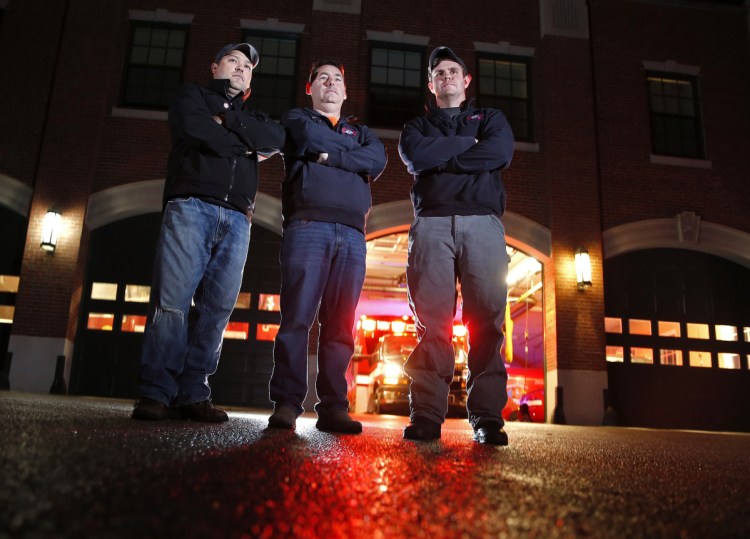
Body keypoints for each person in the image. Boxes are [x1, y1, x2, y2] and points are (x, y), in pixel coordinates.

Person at [132, 43, 285, 422]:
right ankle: (156, 392)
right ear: (215, 65)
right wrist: (246, 144)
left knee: (216, 310)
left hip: (238, 217)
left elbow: (277, 139)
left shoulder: (254, 115)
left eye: (248, 65)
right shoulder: (192, 96)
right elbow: (195, 129)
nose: (240, 68)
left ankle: (192, 393)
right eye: (233, 61)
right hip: (191, 206)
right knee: (172, 303)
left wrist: (228, 121)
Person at [397, 46, 514, 445]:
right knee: (432, 323)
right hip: (430, 224)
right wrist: (469, 147)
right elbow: (415, 155)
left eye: (453, 71)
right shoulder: (416, 127)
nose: (446, 76)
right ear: (431, 85)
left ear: (466, 82)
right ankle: (427, 414)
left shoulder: (491, 119)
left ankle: (487, 417)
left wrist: (440, 161)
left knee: (487, 320)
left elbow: (500, 151)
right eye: (438, 72)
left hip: (483, 222)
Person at [268, 60, 387, 433]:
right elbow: (311, 141)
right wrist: (347, 158)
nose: (331, 84)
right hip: (308, 225)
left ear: (346, 91)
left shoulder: (362, 131)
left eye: (337, 78)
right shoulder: (297, 119)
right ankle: (287, 403)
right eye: (323, 78)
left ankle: (334, 406)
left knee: (340, 326)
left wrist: (329, 156)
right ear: (311, 88)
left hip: (353, 233)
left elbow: (377, 159)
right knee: (297, 318)